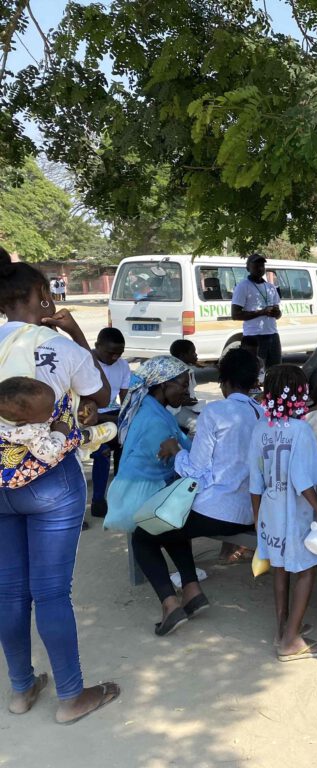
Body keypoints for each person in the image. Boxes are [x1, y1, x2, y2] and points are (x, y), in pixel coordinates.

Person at [0, 261, 119, 723]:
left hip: (0, 478)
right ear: (41, 294)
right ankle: (70, 697)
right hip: (49, 479)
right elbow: (102, 396)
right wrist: (76, 334)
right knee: (51, 593)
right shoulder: (59, 346)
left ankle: (21, 689)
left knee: (10, 592)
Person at [130, 349, 262, 635]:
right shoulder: (262, 413)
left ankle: (170, 605)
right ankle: (191, 591)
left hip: (218, 510)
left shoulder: (216, 412)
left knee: (142, 536)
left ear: (223, 381)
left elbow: (195, 471)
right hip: (251, 511)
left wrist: (176, 450)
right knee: (174, 524)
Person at [249, 365, 317, 660]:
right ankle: (291, 641)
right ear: (301, 394)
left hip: (269, 512)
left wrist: (257, 519)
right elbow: (302, 480)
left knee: (280, 567)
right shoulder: (301, 430)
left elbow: (255, 481)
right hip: (295, 515)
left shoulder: (260, 428)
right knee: (306, 570)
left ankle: (282, 628)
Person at [102, 357, 192, 538]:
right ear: (164, 384)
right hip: (142, 496)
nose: (187, 392)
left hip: (138, 492)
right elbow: (177, 462)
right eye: (183, 385)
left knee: (170, 543)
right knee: (152, 542)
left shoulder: (150, 408)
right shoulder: (156, 420)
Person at [88, 328, 131, 518]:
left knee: (126, 442)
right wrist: (109, 419)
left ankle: (120, 495)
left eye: (119, 353)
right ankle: (98, 500)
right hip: (89, 416)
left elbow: (126, 400)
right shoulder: (85, 362)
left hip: (112, 415)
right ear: (97, 346)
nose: (115, 357)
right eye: (110, 353)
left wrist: (125, 419)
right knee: (103, 451)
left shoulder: (122, 365)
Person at [0, 378, 72, 465]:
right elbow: (49, 455)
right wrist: (60, 433)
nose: (53, 409)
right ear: (25, 422)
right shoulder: (30, 432)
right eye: (48, 410)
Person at [231, 253, 282, 368]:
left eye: (262, 265)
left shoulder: (270, 287)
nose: (260, 268)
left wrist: (276, 313)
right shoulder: (242, 287)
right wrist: (262, 312)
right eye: (256, 265)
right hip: (253, 336)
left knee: (275, 371)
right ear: (248, 268)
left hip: (273, 335)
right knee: (255, 371)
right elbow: (235, 315)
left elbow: (278, 314)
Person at [168, 339, 203, 435]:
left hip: (185, 407)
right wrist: (184, 401)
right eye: (193, 352)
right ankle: (190, 444)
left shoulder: (188, 370)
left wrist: (191, 401)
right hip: (174, 411)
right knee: (197, 425)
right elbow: (171, 399)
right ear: (183, 355)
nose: (196, 355)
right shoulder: (174, 372)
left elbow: (189, 394)